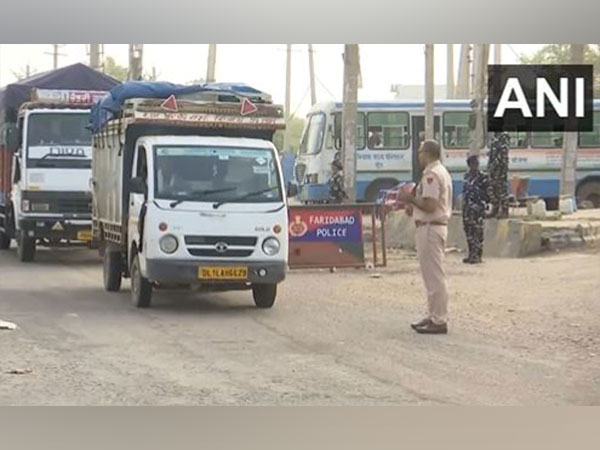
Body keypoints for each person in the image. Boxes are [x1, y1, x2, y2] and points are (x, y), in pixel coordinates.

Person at [399, 140, 453, 334]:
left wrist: (410, 199)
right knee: (430, 275)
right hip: (431, 225)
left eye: (420, 151)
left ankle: (439, 320)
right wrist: (414, 207)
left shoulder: (432, 174)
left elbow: (430, 205)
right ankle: (433, 315)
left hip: (431, 228)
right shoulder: (441, 171)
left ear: (427, 153)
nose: (418, 155)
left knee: (434, 276)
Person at [462, 155, 489, 264]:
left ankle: (478, 255)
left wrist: (485, 205)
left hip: (478, 209)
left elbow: (487, 194)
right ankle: (471, 254)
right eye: (473, 164)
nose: (475, 166)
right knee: (469, 232)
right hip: (467, 209)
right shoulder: (466, 176)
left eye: (476, 163)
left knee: (478, 232)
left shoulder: (483, 177)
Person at [487, 131, 510, 218]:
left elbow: (502, 155)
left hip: (500, 168)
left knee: (501, 189)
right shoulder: (495, 136)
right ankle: (495, 209)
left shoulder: (504, 136)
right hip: (493, 167)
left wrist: (495, 165)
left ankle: (504, 210)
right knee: (493, 188)